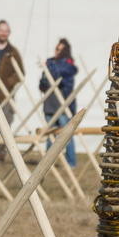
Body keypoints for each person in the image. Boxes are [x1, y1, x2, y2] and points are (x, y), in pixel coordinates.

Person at [39, 39, 78, 168]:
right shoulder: (50, 62)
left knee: (66, 135)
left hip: (62, 104)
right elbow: (43, 83)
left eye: (61, 50)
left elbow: (60, 73)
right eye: (57, 49)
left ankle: (71, 162)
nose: (57, 52)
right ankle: (48, 163)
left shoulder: (68, 64)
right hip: (50, 103)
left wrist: (47, 65)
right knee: (50, 135)